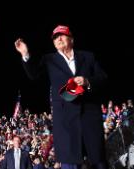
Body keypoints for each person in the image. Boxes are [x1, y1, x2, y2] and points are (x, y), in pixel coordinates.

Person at [14, 25, 108, 169]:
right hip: (65, 123)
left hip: (89, 118)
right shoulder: (49, 60)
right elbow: (33, 74)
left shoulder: (88, 56)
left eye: (62, 35)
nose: (58, 39)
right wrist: (25, 54)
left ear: (71, 39)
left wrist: (87, 81)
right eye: (55, 38)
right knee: (70, 164)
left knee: (98, 162)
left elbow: (103, 78)